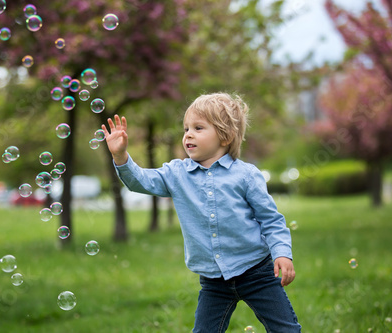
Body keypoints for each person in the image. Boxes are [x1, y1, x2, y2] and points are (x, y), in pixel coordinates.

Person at [101, 92, 302, 332]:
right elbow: (141, 181)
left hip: (256, 271)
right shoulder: (176, 173)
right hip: (213, 280)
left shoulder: (246, 175)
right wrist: (121, 156)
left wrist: (282, 253)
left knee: (286, 329)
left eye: (198, 127)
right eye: (186, 128)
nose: (188, 134)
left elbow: (271, 220)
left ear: (225, 136)